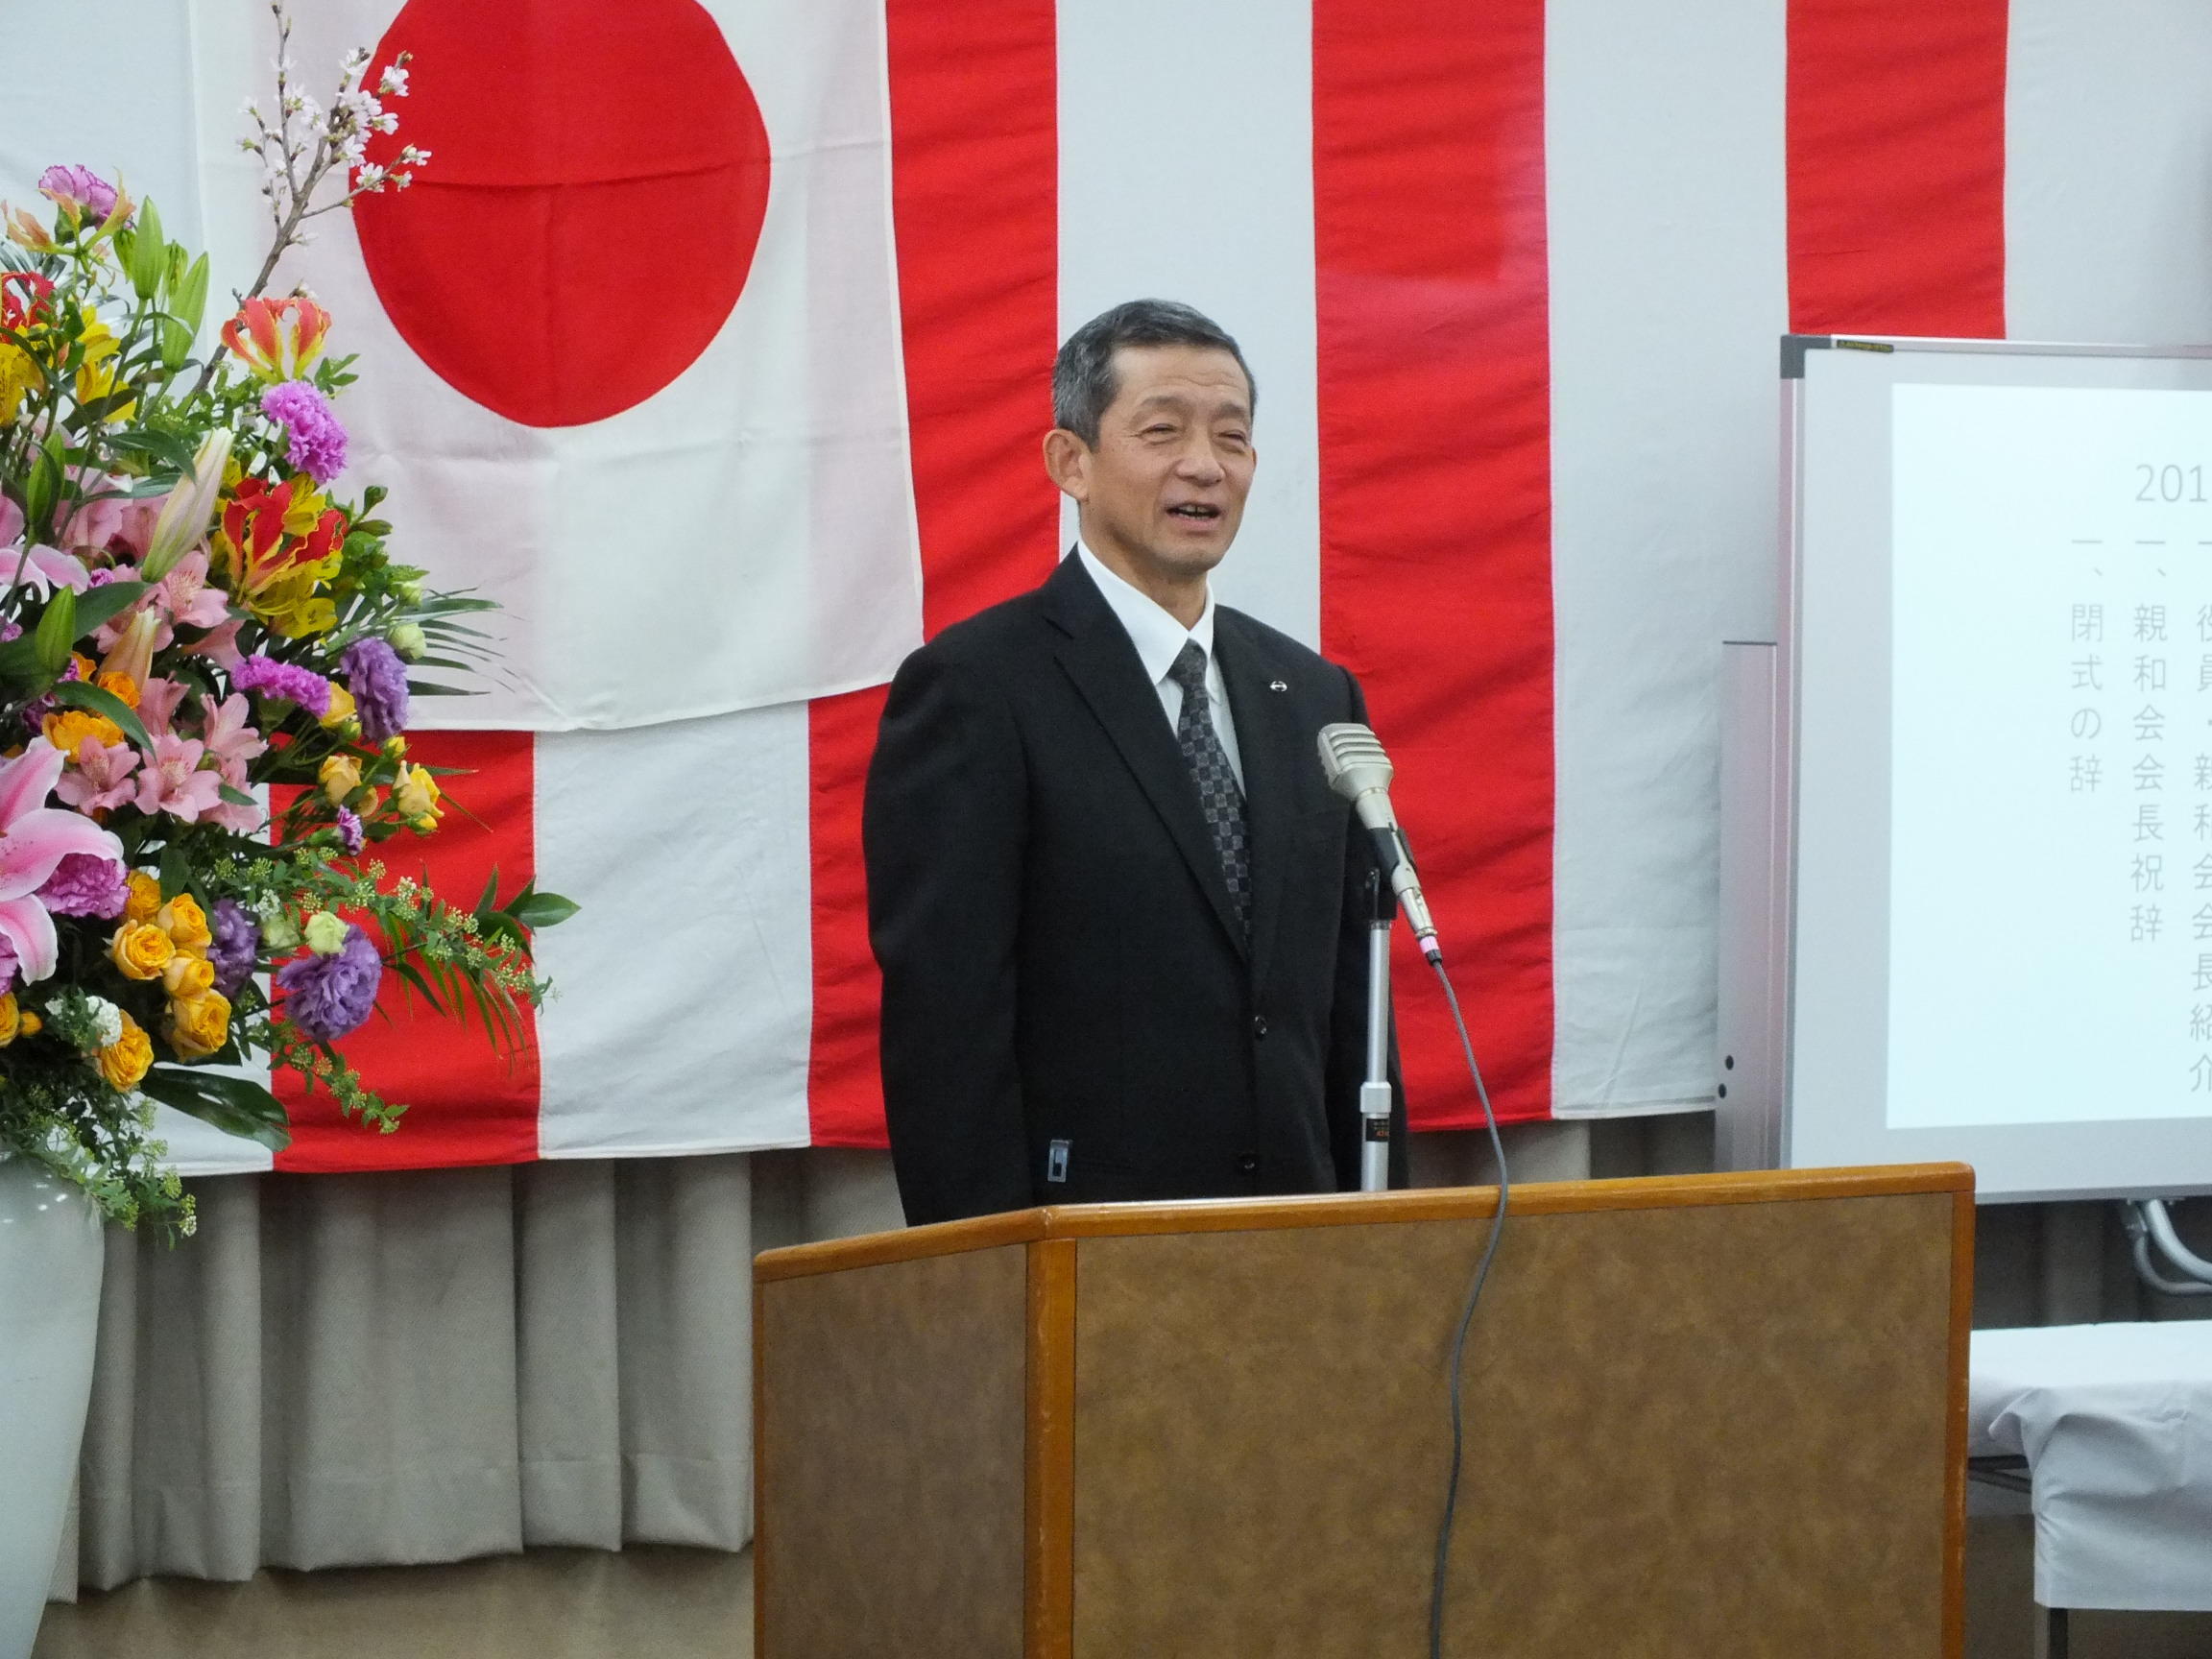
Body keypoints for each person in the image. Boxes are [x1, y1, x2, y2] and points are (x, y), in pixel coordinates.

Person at [862, 299, 1405, 1226]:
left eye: (1231, 438)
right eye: (1163, 432)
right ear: (1070, 462)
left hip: (1305, 1246)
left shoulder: (1314, 696)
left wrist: (1382, 1231)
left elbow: (1360, 1010)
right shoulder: (975, 689)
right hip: (1088, 1243)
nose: (1204, 464)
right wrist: (986, 1272)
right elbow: (947, 1031)